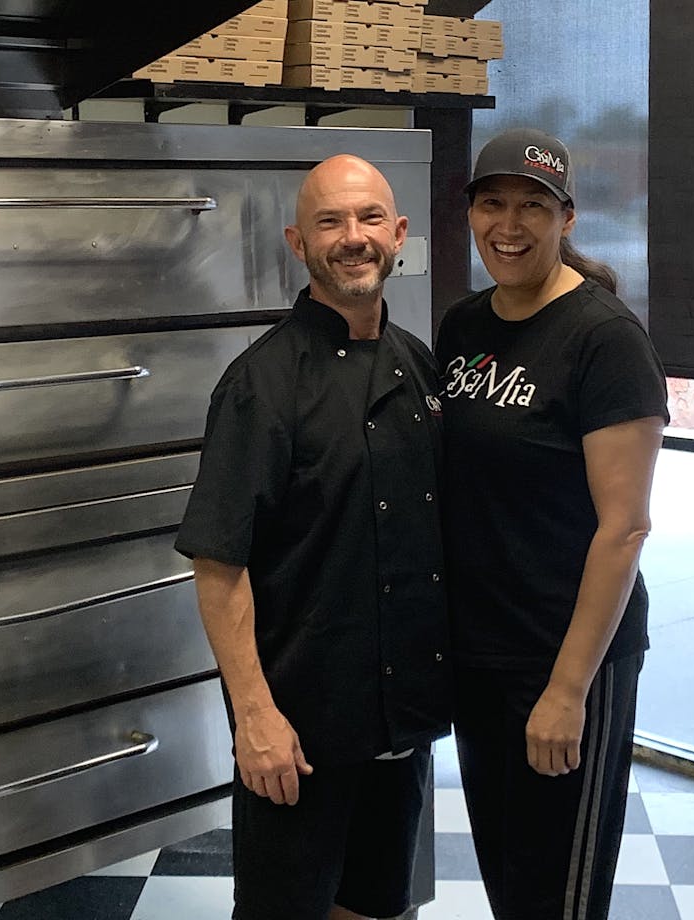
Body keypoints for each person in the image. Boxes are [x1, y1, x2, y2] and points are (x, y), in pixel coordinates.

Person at [175, 154, 450, 920]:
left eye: (369, 218)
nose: (352, 237)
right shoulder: (260, 385)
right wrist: (254, 717)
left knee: (376, 906)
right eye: (330, 221)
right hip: (299, 730)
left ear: (398, 234)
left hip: (399, 717)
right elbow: (218, 565)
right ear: (299, 243)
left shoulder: (419, 364)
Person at [434, 127, 669, 920]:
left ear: (566, 218)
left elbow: (624, 528)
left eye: (533, 207)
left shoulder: (604, 340)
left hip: (569, 659)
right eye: (492, 203)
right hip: (482, 655)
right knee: (509, 881)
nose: (510, 225)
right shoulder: (463, 328)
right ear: (470, 212)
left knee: (557, 897)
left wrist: (568, 691)